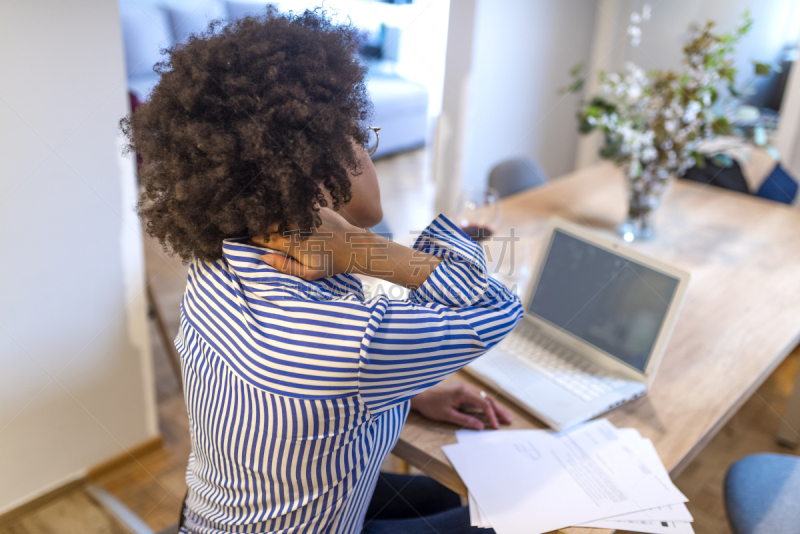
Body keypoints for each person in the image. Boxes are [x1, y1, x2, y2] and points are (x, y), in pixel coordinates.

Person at [122, 7, 523, 534]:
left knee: (456, 501)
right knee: (506, 518)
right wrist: (361, 248)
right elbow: (495, 305)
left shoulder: (217, 262)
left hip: (209, 518)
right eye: (358, 132)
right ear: (314, 170)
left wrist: (409, 388)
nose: (368, 146)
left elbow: (305, 391)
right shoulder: (353, 341)